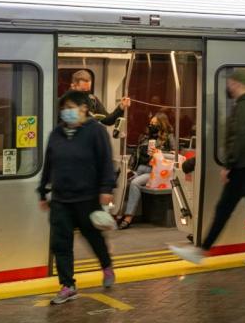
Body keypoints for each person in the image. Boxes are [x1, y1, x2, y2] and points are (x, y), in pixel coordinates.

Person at [170, 69, 245, 265]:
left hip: (244, 167)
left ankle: (200, 251)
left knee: (223, 209)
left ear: (237, 83)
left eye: (229, 83)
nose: (228, 86)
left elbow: (240, 138)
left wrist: (229, 165)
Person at [37, 90, 117, 305]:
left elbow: (106, 162)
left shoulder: (96, 132)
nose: (66, 112)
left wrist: (106, 189)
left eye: (70, 108)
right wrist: (42, 191)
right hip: (61, 199)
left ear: (83, 108)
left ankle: (106, 266)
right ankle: (67, 285)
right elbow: (49, 164)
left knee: (92, 237)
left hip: (88, 197)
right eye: (63, 109)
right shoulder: (56, 133)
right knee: (60, 243)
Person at [119, 113, 178, 229]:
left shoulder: (168, 137)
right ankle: (118, 212)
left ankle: (128, 216)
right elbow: (136, 154)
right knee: (122, 179)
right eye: (151, 123)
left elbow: (174, 154)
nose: (151, 126)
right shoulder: (145, 137)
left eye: (155, 124)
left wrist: (159, 153)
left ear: (162, 124)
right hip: (140, 168)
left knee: (135, 183)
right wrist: (130, 168)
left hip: (154, 171)